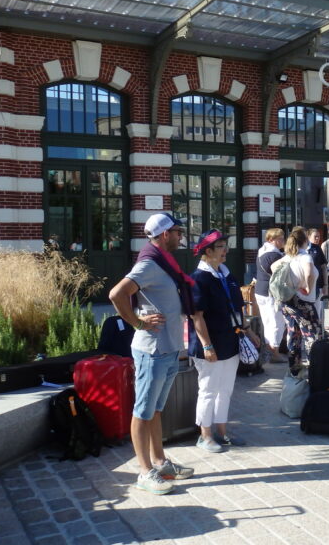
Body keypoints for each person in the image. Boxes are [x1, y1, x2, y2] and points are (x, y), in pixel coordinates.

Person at [108, 212, 195, 495]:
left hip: (167, 349)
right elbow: (117, 294)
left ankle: (160, 461)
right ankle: (144, 472)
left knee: (155, 409)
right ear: (164, 235)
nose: (180, 236)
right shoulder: (149, 264)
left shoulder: (163, 262)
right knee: (142, 411)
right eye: (177, 232)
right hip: (151, 350)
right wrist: (137, 322)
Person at [188, 229, 251, 453]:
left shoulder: (226, 274)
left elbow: (238, 308)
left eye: (226, 245)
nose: (226, 250)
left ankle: (222, 432)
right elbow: (197, 316)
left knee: (225, 389)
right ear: (208, 251)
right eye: (221, 246)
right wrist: (206, 345)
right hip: (210, 344)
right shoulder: (198, 279)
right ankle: (205, 435)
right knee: (208, 389)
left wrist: (249, 332)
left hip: (230, 340)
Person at [279, 228, 322, 373]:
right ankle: (315, 368)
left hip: (287, 301)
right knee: (313, 334)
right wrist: (306, 286)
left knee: (294, 334)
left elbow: (272, 267)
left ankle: (295, 369)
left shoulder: (287, 257)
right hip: (302, 301)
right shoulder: (305, 256)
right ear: (305, 241)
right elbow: (309, 272)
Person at [255, 228, 288, 363]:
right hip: (270, 292)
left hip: (261, 291)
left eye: (282, 238)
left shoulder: (262, 251)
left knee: (267, 322)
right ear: (271, 239)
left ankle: (270, 350)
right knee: (277, 322)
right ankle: (274, 352)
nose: (282, 241)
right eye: (279, 238)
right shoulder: (274, 256)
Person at [306, 226, 328, 321]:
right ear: (308, 236)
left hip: (318, 284)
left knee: (317, 309)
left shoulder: (317, 249)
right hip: (304, 286)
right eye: (315, 236)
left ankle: (318, 331)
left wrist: (325, 285)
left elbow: (323, 267)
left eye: (318, 236)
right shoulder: (300, 249)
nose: (317, 238)